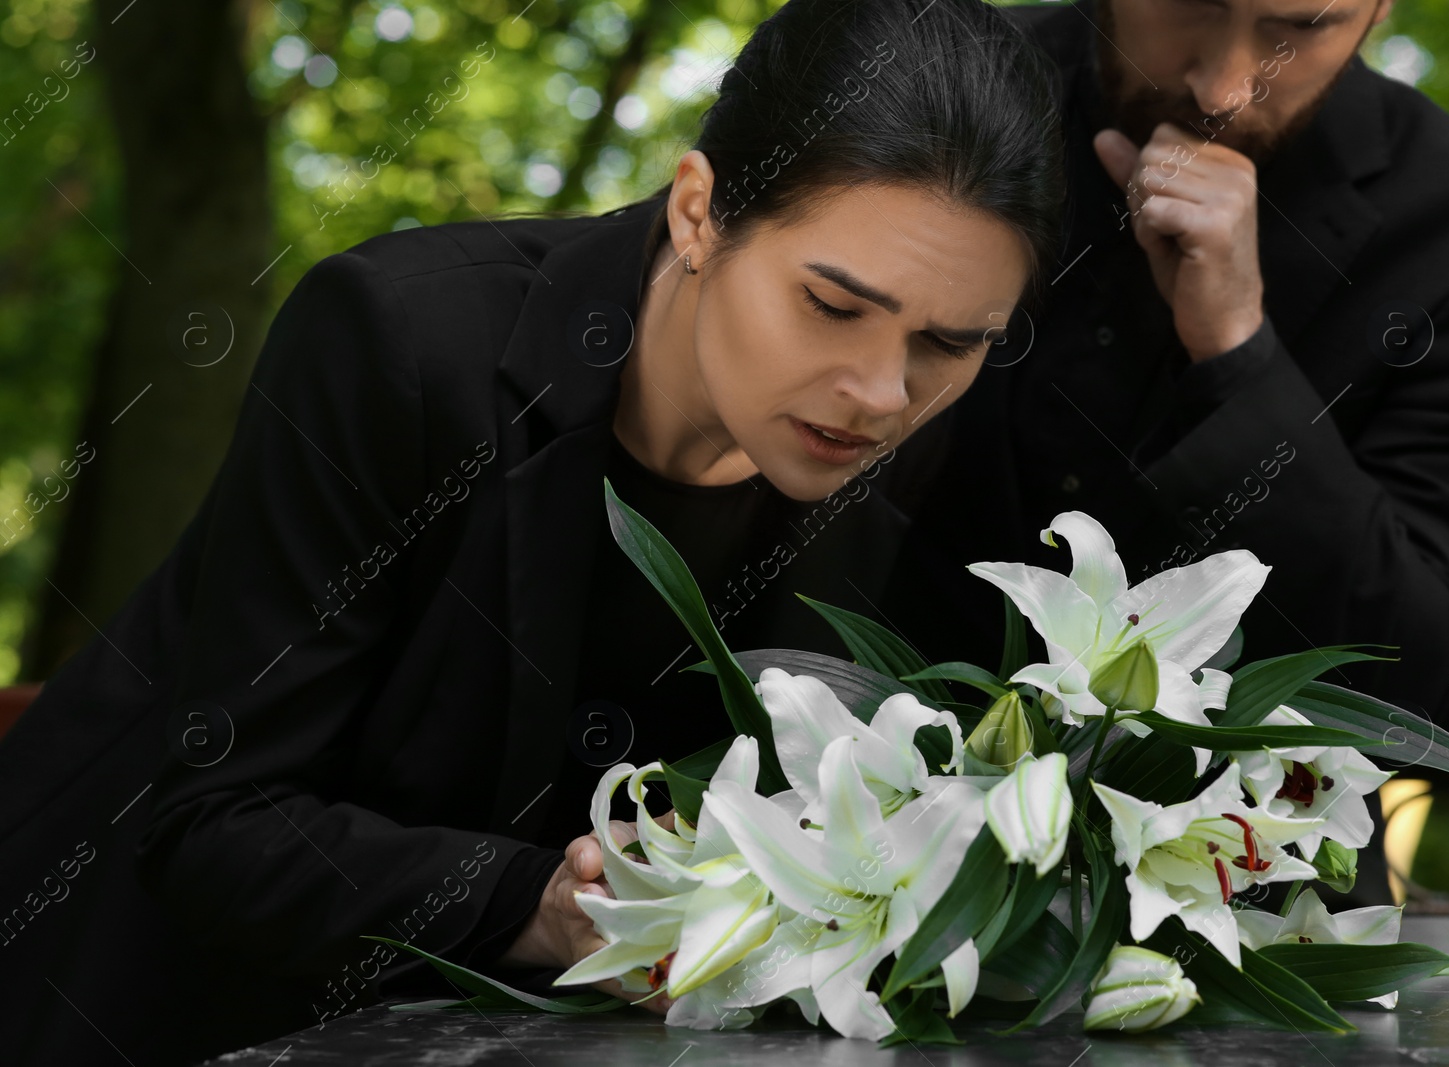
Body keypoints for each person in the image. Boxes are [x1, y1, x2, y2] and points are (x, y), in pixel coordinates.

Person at [0, 2, 1065, 1063]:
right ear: (699, 211)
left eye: (948, 341)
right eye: (831, 306)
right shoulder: (400, 342)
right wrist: (538, 902)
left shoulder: (924, 440)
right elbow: (213, 821)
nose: (880, 392)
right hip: (150, 1005)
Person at [876, 0, 1449, 906]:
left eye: (1300, 25)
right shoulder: (916, 80)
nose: (1226, 87)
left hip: (1237, 930)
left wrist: (1239, 353)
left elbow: (1418, 694)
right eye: (1190, 5)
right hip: (854, 859)